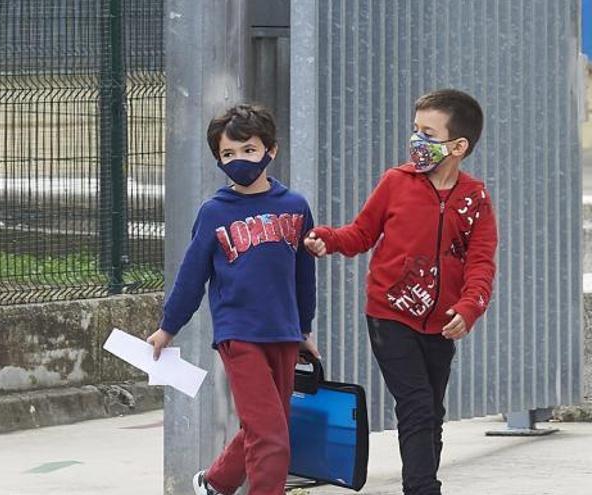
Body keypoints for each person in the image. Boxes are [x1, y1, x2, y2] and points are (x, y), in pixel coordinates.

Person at [304, 89, 497, 495]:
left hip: (443, 323)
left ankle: (422, 482)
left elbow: (481, 261)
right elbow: (360, 234)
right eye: (415, 130)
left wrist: (469, 307)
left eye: (428, 132)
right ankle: (423, 489)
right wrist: (327, 239)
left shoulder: (474, 199)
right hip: (389, 314)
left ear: (458, 146)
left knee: (432, 411)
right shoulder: (396, 182)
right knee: (416, 405)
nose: (416, 141)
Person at [146, 104, 319, 495]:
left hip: (286, 333)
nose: (238, 160)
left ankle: (216, 483)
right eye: (228, 154)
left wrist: (305, 327)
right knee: (272, 435)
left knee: (267, 425)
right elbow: (192, 275)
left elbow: (303, 275)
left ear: (270, 151)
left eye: (248, 150)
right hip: (238, 335)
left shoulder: (295, 207)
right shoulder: (214, 212)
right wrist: (167, 327)